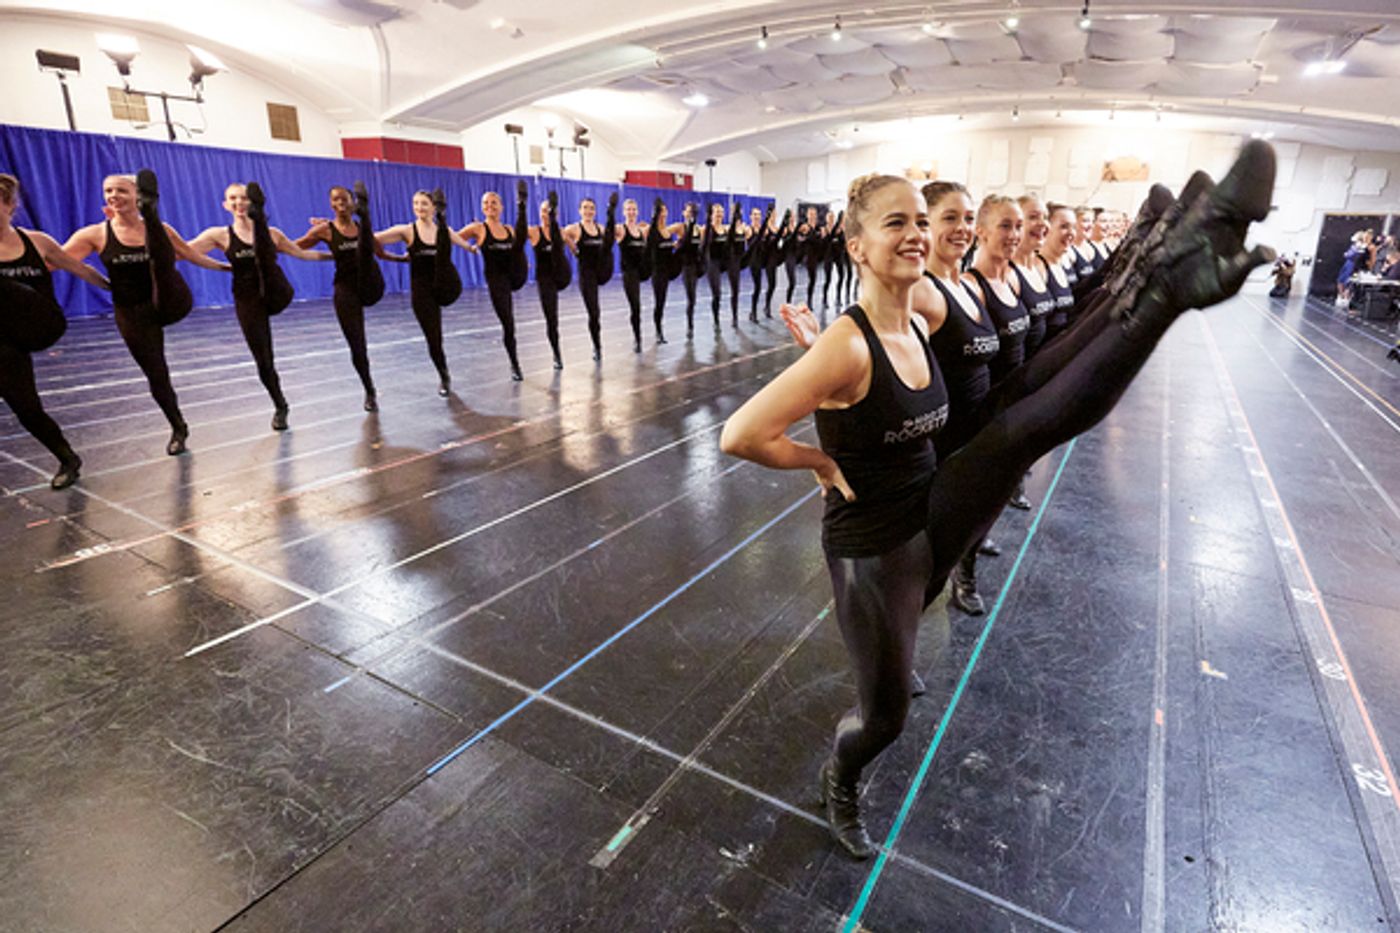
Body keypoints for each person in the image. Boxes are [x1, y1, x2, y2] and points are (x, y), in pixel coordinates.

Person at [722, 142, 1276, 860]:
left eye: (920, 218)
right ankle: (842, 774)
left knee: (1022, 431)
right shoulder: (846, 345)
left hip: (930, 502)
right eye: (897, 223)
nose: (917, 232)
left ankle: (1167, 283)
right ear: (857, 246)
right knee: (885, 719)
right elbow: (741, 432)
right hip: (875, 546)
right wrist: (817, 459)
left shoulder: (916, 325)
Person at [63, 170, 228, 455]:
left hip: (168, 298)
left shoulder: (164, 230)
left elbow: (192, 255)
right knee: (156, 373)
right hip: (132, 310)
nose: (113, 196)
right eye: (108, 191)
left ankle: (150, 214)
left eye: (121, 191)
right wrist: (101, 283)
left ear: (137, 195)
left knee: (162, 259)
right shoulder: (94, 234)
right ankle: (178, 426)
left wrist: (229, 269)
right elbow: (61, 260)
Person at [0, 174, 110, 487]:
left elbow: (81, 269)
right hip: (5, 338)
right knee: (26, 408)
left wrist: (115, 290)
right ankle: (67, 458)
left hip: (41, 322)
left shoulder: (37, 242)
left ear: (10, 206)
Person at [188, 182, 328, 428]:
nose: (239, 203)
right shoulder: (218, 235)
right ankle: (280, 405)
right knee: (263, 359)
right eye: (233, 198)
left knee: (275, 300)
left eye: (243, 198)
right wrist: (219, 267)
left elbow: (302, 254)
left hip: (276, 293)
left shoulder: (271, 233)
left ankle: (279, 402)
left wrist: (341, 253)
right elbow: (184, 252)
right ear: (225, 204)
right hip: (247, 299)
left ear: (253, 203)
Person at [296, 182, 396, 408]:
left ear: (353, 202)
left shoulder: (363, 228)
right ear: (331, 204)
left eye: (344, 199)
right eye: (335, 199)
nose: (340, 203)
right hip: (345, 289)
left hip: (370, 285)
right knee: (357, 343)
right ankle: (369, 390)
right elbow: (296, 246)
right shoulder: (324, 230)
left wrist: (403, 259)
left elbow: (380, 252)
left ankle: (369, 388)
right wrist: (267, 247)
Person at [374, 189, 475, 395]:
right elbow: (373, 238)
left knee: (438, 334)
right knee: (434, 336)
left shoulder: (443, 231)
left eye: (424, 204)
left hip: (444, 286)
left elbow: (466, 245)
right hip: (422, 292)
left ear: (433, 208)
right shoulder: (407, 230)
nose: (419, 207)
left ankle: (443, 371)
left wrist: (474, 248)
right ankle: (444, 375)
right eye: (416, 203)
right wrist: (340, 227)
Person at [457, 183, 530, 379]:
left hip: (514, 275)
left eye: (494, 203)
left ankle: (523, 205)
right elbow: (452, 238)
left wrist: (524, 264)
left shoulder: (509, 229)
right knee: (508, 323)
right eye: (486, 203)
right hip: (497, 281)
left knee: (519, 238)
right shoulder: (478, 228)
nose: (490, 206)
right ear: (482, 207)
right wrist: (468, 247)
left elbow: (518, 249)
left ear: (501, 207)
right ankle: (515, 364)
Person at [529, 191, 570, 369]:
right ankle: (556, 353)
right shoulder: (533, 231)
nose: (546, 214)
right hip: (545, 279)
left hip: (560, 275)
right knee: (552, 318)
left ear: (556, 214)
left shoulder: (561, 232)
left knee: (554, 317)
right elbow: (513, 243)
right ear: (540, 213)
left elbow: (575, 248)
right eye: (544, 211)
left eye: (550, 211)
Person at [615, 198, 651, 352]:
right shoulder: (620, 229)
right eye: (628, 209)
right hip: (629, 273)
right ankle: (638, 339)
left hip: (642, 270)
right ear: (624, 212)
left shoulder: (642, 230)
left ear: (637, 212)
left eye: (633, 209)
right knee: (636, 307)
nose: (631, 212)